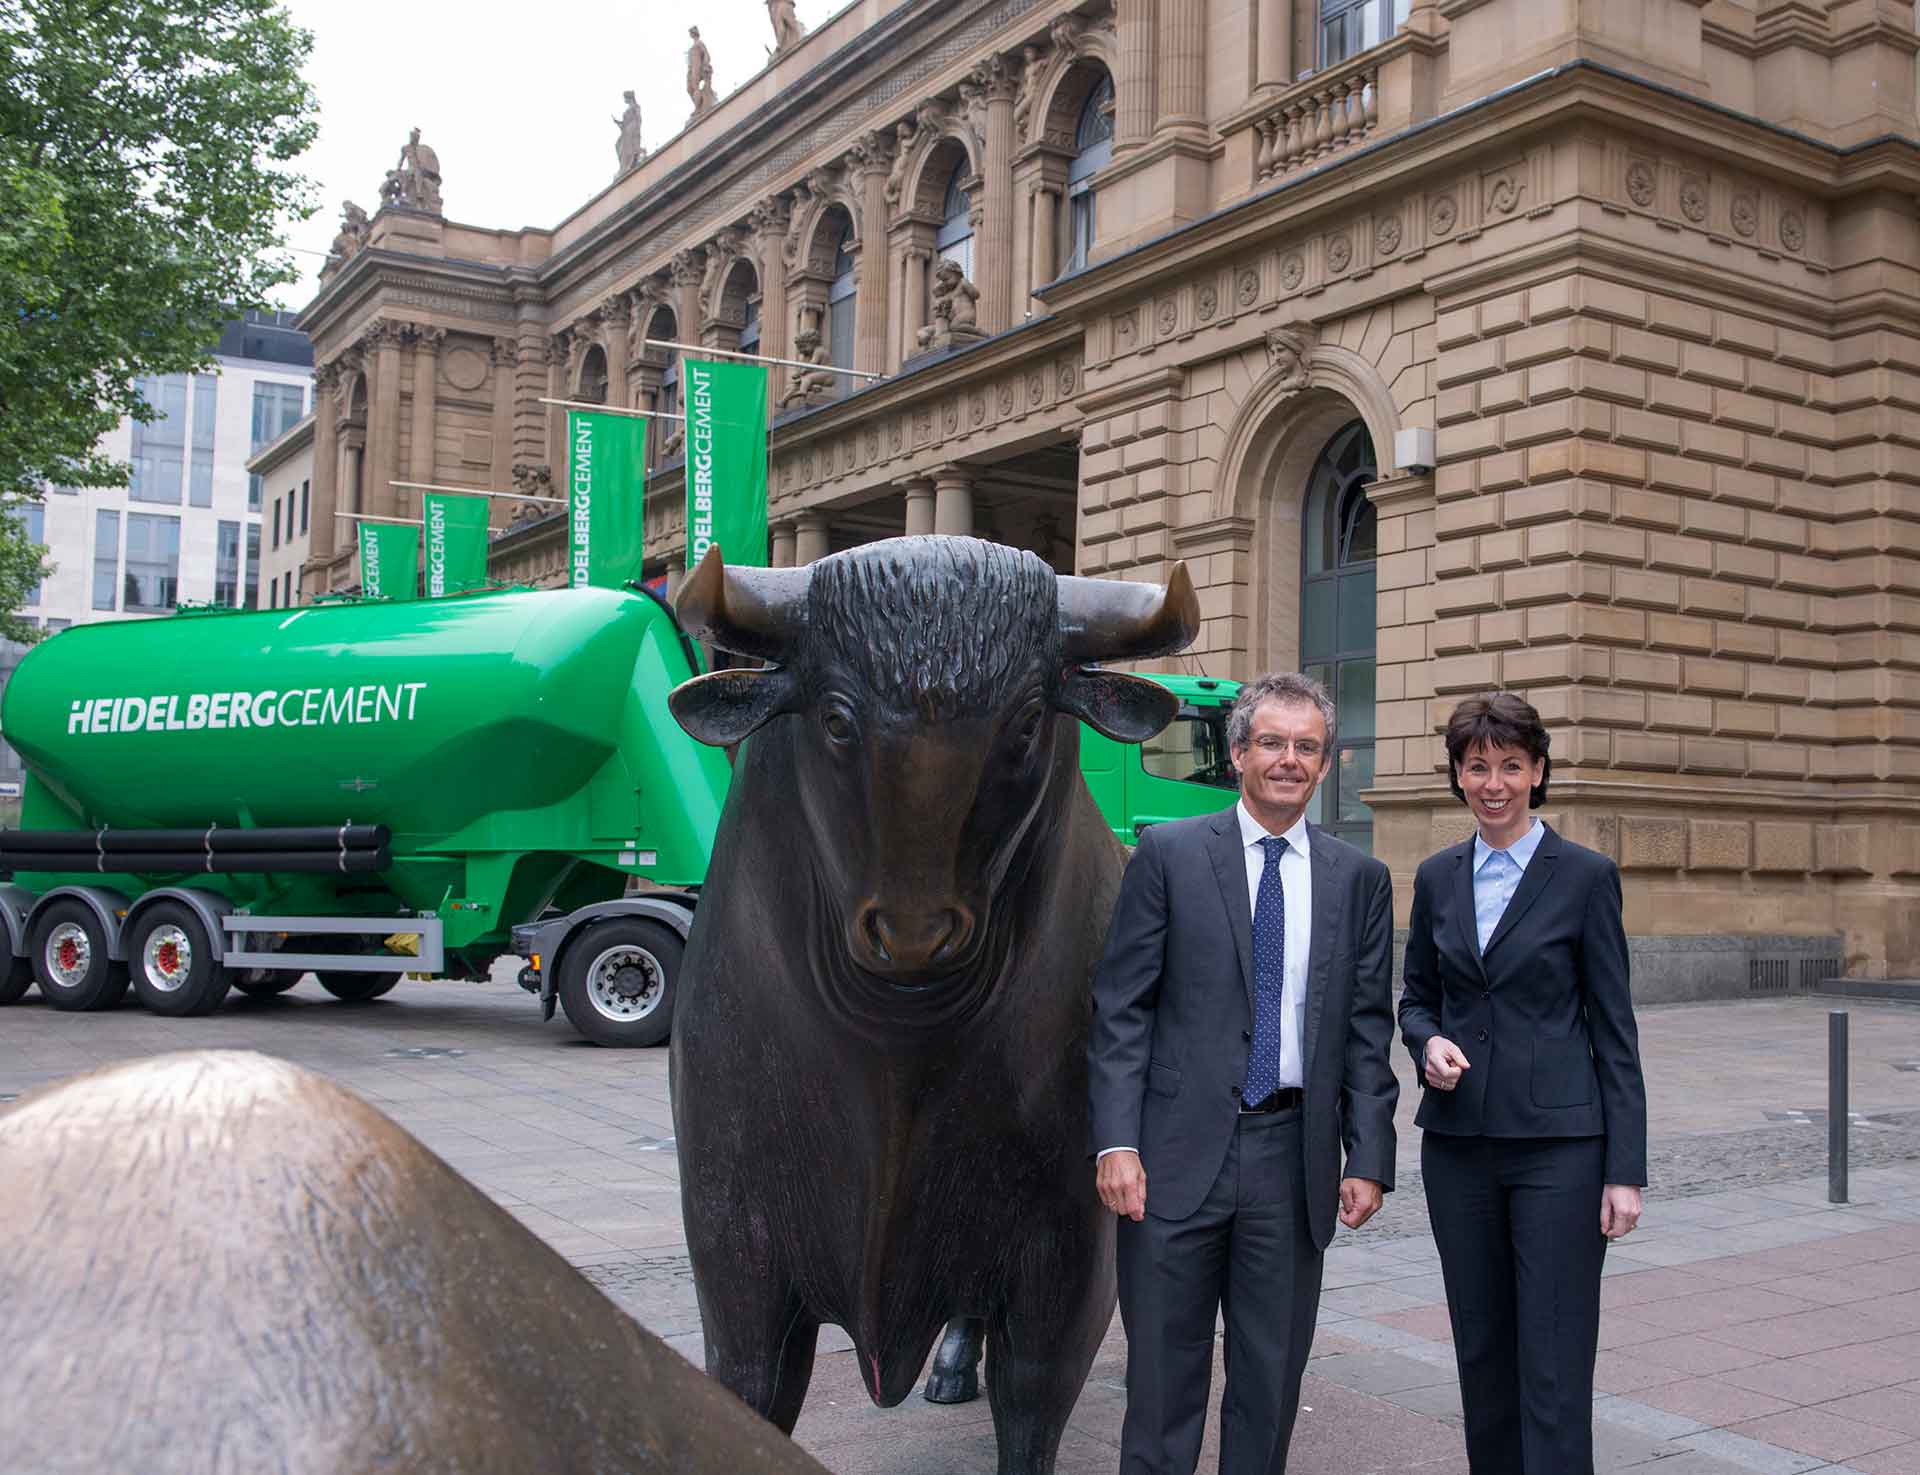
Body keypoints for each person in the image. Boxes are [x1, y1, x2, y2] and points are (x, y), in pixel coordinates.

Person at [1089, 670, 1399, 1475]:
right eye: (1272, 742)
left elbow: (1368, 1028)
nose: (1288, 759)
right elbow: (1122, 1006)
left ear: (1326, 764)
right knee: (1161, 1388)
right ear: (1237, 753)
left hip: (1291, 1165)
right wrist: (1116, 1141)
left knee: (1267, 1388)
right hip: (1171, 1160)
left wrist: (1368, 1154)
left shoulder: (1357, 880)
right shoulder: (1168, 854)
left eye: (1306, 746)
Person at [1397, 691, 1647, 1475]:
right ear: (1458, 776)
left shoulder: (1583, 877)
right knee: (1481, 1351)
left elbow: (1615, 1029)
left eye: (1511, 765)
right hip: (1460, 1147)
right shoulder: (1437, 876)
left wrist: (1624, 1170)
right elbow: (1415, 997)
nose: (1494, 781)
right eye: (1478, 766)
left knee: (1553, 1357)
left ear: (1538, 772)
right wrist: (1427, 1040)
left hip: (1559, 1154)